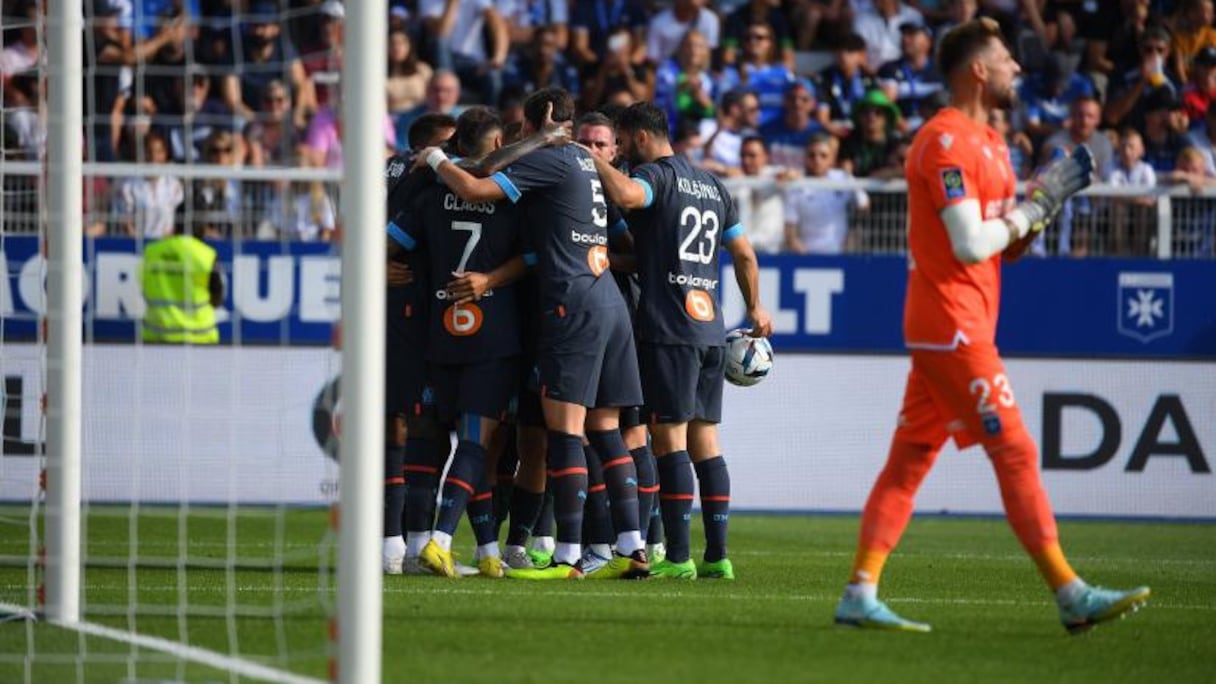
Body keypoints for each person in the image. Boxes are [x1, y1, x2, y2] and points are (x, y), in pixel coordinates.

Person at [834, 17, 1150, 633]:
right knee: (1016, 449)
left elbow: (1008, 248)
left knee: (910, 461)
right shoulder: (944, 141)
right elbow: (969, 241)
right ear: (978, 70)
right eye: (1007, 59)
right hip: (951, 324)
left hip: (959, 321)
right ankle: (1069, 592)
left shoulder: (994, 148)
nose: (1018, 69)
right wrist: (1030, 208)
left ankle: (860, 592)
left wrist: (1042, 204)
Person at [419, 87, 649, 579]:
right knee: (606, 432)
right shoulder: (589, 165)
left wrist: (436, 157)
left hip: (573, 302)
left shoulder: (555, 158)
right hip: (608, 299)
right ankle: (630, 547)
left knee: (564, 433)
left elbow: (476, 186)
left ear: (535, 125)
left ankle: (568, 555)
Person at [588, 101, 773, 580]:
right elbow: (746, 255)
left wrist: (590, 160)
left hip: (668, 329)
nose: (622, 153)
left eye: (623, 144)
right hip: (712, 330)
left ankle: (678, 557)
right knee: (706, 443)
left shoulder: (659, 177)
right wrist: (754, 307)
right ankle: (718, 557)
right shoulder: (712, 184)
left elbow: (629, 195)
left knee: (668, 443)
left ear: (642, 138)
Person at [391, 108, 527, 579]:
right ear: (494, 148)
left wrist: (378, 267)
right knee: (477, 443)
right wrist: (490, 278)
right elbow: (532, 257)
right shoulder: (509, 196)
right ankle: (441, 542)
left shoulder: (431, 193)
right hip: (490, 334)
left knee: (431, 440)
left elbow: (384, 244)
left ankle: (483, 550)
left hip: (438, 332)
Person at [139, 210, 223, 344]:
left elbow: (143, 287)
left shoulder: (151, 251)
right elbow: (217, 300)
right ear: (202, 225)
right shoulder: (207, 255)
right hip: (200, 339)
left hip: (156, 339)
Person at [784, 132, 869, 254]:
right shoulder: (796, 184)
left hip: (840, 254)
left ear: (832, 159)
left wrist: (850, 177)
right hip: (807, 255)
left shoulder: (843, 178)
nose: (817, 160)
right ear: (805, 157)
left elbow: (864, 206)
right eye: (812, 155)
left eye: (823, 156)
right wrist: (806, 256)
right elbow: (790, 231)